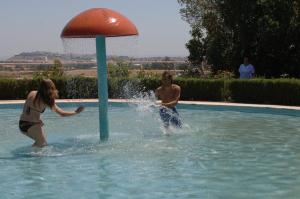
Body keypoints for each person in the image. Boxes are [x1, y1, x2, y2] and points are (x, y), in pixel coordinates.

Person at [19, 79, 84, 147]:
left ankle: (31, 154)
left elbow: (29, 109)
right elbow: (62, 113)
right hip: (32, 125)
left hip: (22, 124)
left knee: (40, 143)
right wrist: (76, 112)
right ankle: (30, 157)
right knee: (42, 144)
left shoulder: (32, 93)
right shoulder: (47, 100)